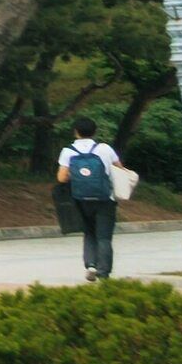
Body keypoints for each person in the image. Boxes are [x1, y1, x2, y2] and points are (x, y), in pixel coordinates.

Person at [61, 119, 127, 280]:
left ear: (76, 131)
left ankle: (91, 265)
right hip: (105, 199)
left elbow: (62, 178)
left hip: (80, 199)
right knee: (104, 237)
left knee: (89, 232)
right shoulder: (104, 148)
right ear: (95, 132)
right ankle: (104, 273)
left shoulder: (68, 151)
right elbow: (120, 168)